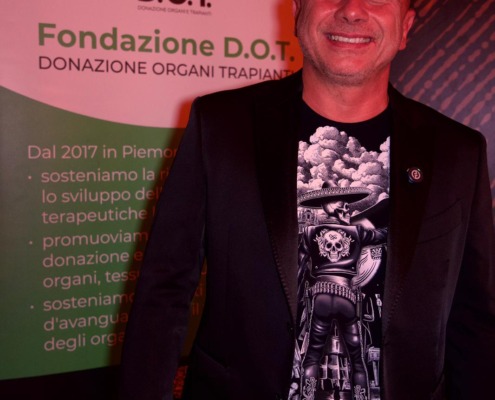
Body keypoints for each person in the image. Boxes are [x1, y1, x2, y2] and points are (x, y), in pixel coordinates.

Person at [119, 0, 495, 399]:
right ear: (298, 11)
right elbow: (165, 289)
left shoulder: (458, 151)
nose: (352, 10)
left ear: (405, 27)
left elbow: (473, 318)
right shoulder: (221, 124)